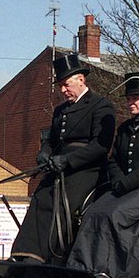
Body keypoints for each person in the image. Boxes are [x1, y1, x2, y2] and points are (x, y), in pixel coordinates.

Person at [67, 72, 139, 278]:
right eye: (128, 99)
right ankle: (81, 269)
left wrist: (125, 184)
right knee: (93, 213)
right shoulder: (125, 129)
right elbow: (114, 159)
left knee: (115, 215)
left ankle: (114, 273)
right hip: (124, 188)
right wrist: (118, 182)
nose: (130, 103)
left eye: (135, 98)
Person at [10, 53, 116, 264]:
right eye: (60, 85)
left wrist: (69, 161)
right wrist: (44, 153)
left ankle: (52, 255)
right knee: (41, 196)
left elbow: (100, 146)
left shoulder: (100, 106)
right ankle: (25, 253)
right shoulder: (60, 110)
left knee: (61, 199)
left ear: (80, 80)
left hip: (87, 168)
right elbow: (52, 139)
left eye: (66, 84)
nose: (63, 90)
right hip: (59, 163)